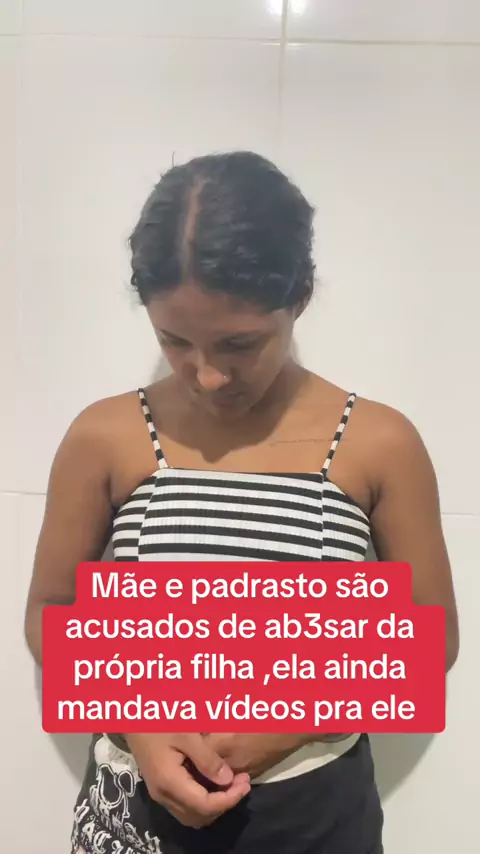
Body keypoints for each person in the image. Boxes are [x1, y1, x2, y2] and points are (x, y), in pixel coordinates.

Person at [24, 151, 459, 854]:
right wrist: (138, 719)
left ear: (300, 297)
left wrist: (282, 723)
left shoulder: (379, 443)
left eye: (240, 343)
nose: (207, 375)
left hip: (316, 820)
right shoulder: (106, 436)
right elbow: (51, 612)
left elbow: (431, 639)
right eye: (174, 340)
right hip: (135, 812)